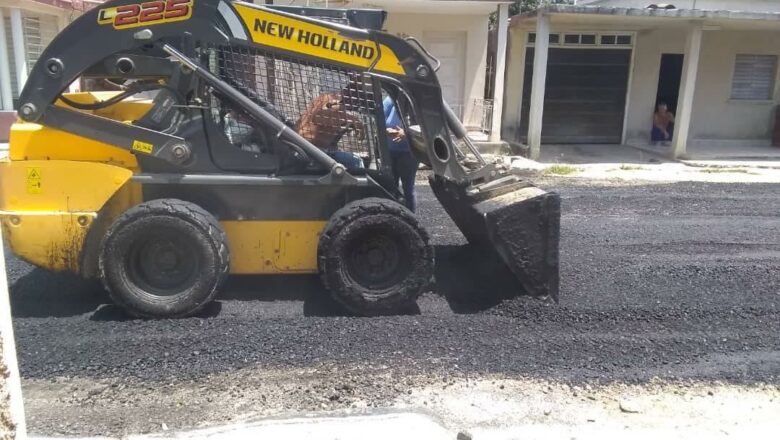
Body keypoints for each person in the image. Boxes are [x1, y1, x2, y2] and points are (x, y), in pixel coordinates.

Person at [383, 95, 418, 212]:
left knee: (408, 189)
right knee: (390, 188)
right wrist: (386, 130)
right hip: (389, 152)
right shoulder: (390, 100)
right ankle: (393, 217)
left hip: (408, 154)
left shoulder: (415, 101)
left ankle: (412, 219)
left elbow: (422, 126)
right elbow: (379, 119)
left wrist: (405, 132)